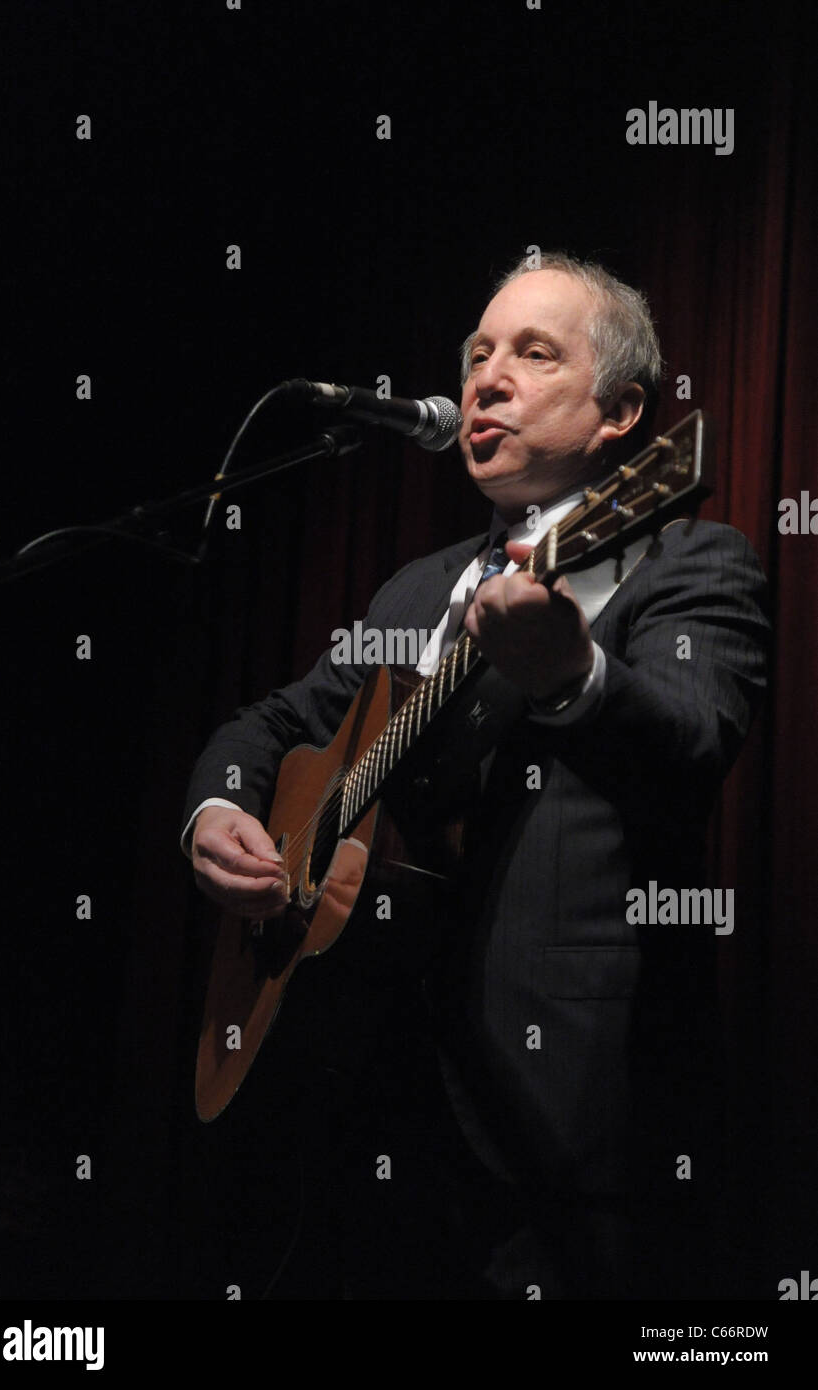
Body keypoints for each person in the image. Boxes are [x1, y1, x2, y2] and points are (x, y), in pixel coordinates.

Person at [182, 251, 769, 1299]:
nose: (483, 379)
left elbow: (696, 741)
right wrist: (218, 810)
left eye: (532, 354)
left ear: (622, 413)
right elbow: (273, 723)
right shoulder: (418, 590)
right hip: (367, 1096)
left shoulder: (687, 558)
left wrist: (573, 678)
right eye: (477, 354)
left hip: (565, 1118)